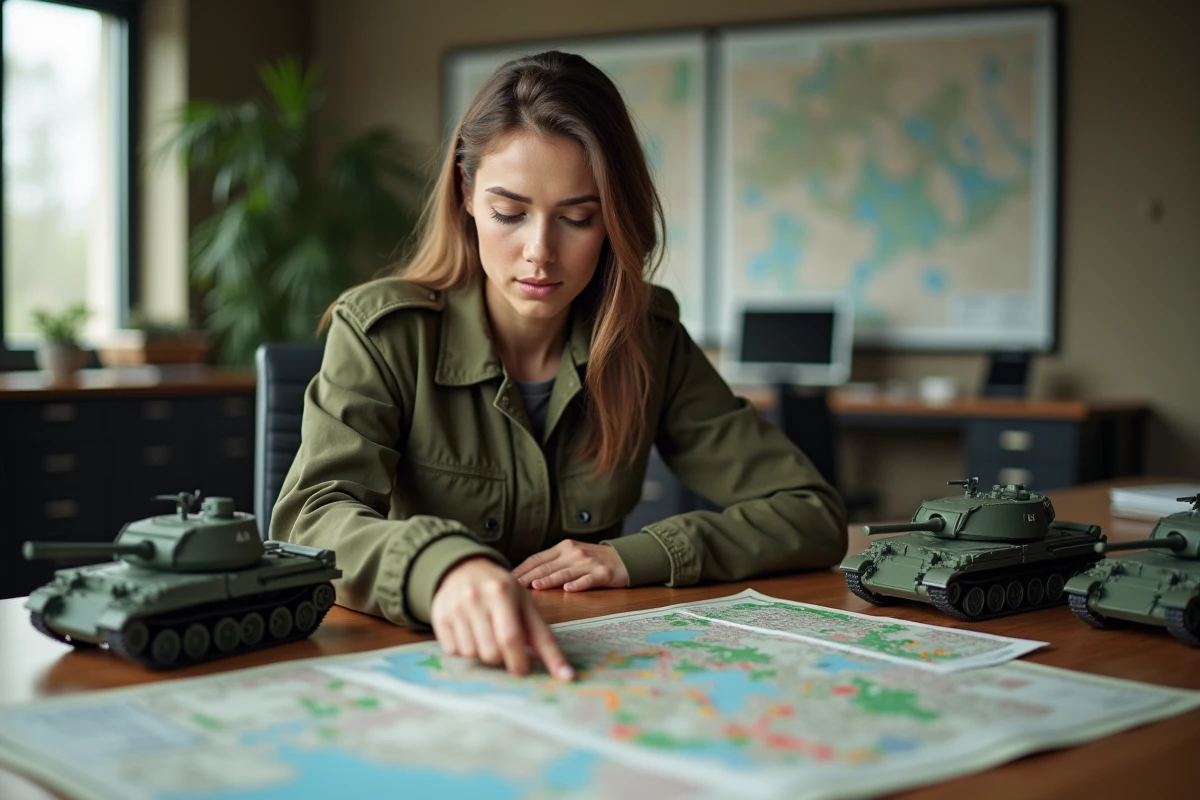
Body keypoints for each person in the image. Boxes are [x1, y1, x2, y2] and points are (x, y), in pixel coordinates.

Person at [270, 51, 848, 681]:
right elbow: (310, 519)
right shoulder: (383, 333)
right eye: (509, 214)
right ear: (465, 193)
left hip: (588, 668)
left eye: (578, 217)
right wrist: (441, 567)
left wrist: (641, 556)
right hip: (421, 663)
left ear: (614, 219)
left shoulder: (647, 339)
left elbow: (809, 512)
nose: (540, 253)